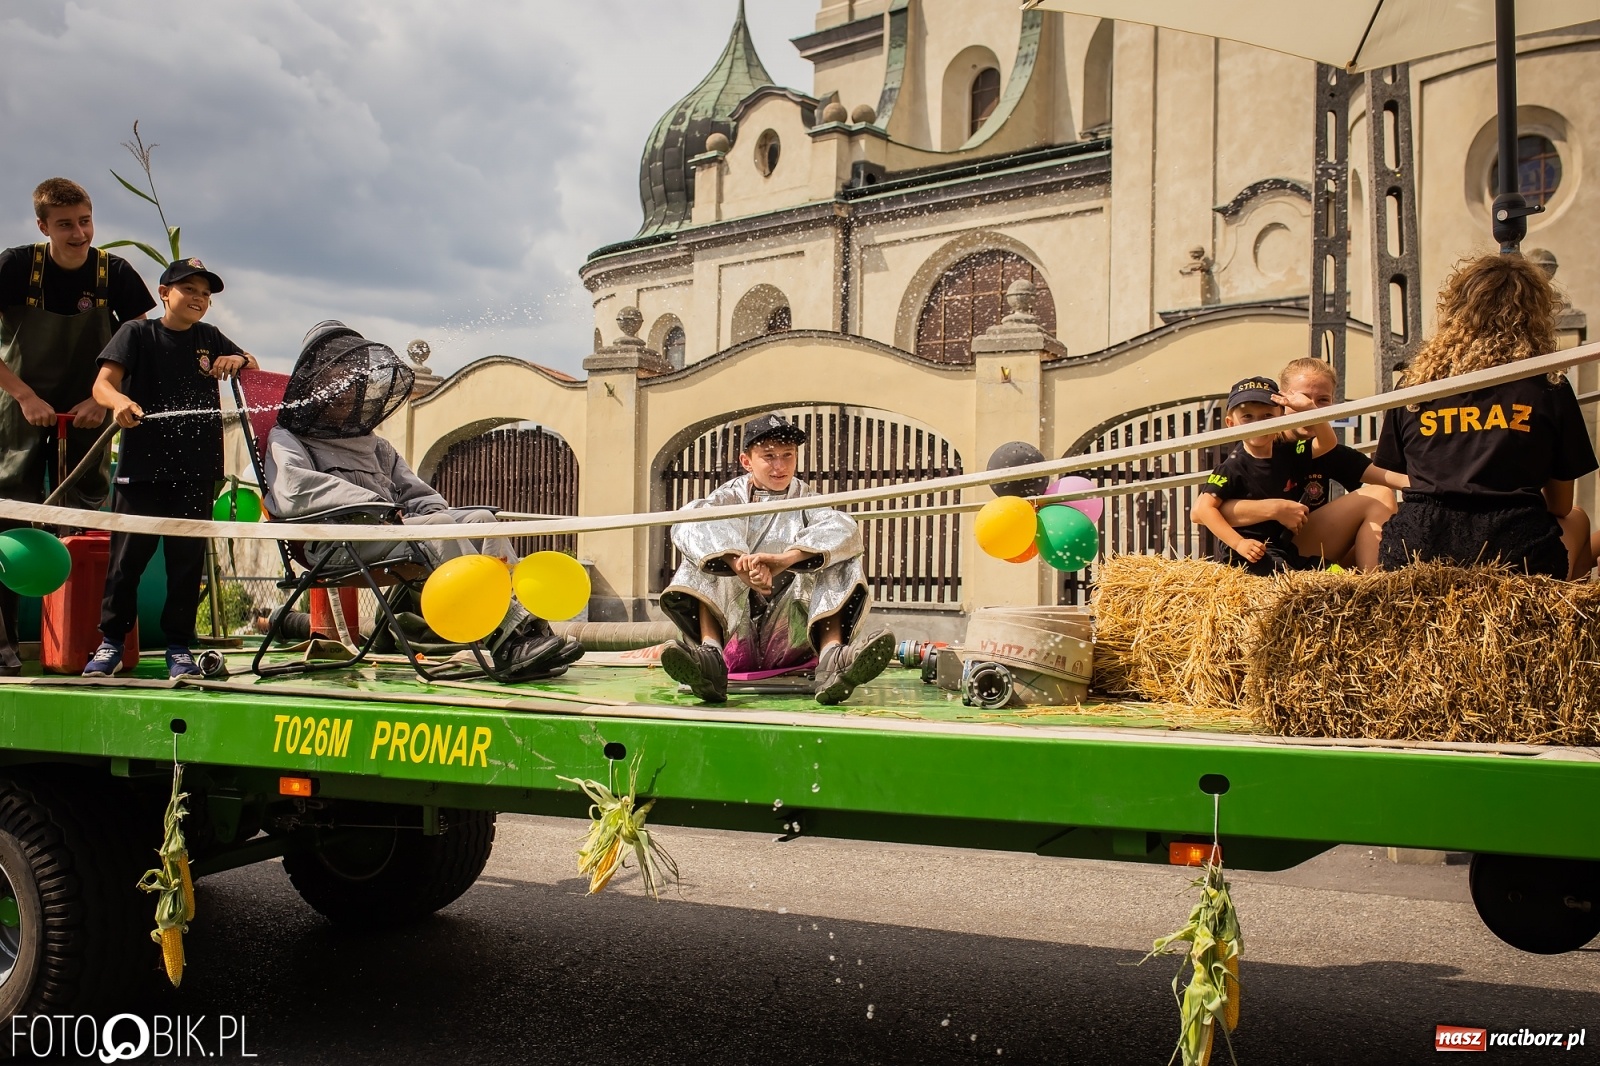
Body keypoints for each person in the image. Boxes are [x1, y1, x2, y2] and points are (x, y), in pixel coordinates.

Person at [261, 320, 580, 680]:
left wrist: (428, 514)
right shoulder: (287, 437)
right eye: (338, 379)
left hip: (390, 536)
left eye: (354, 380)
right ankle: (503, 638)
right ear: (315, 384)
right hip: (339, 544)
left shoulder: (376, 445)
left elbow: (417, 494)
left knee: (480, 521)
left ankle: (526, 628)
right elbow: (295, 491)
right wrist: (376, 507)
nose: (348, 389)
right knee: (440, 529)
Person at [0, 178, 155, 675]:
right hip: (19, 407)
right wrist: (24, 396)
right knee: (10, 520)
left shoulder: (116, 273)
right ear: (43, 226)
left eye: (85, 221)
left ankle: (94, 640)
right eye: (65, 224)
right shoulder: (17, 266)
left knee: (89, 522)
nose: (78, 233)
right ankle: (3, 645)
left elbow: (145, 345)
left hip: (87, 413)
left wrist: (97, 398)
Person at [81, 258, 255, 678]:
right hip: (141, 468)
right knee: (127, 562)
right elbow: (102, 384)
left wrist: (239, 361)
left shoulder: (208, 337)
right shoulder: (137, 333)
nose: (198, 299)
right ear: (165, 293)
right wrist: (118, 402)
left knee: (185, 563)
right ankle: (111, 644)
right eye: (189, 290)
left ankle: (179, 648)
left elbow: (250, 360)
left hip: (196, 471)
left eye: (205, 295)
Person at [1374, 253, 1596, 579]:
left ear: (1454, 310)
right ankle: (1568, 621)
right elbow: (1560, 505)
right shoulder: (1548, 385)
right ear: (1534, 313)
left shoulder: (1414, 385)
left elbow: (1399, 472)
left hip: (1417, 549)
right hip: (1514, 549)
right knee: (1578, 518)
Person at [658, 412, 895, 705]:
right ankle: (709, 659)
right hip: (734, 639)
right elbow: (687, 521)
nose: (780, 466)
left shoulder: (809, 499)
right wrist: (736, 563)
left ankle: (833, 659)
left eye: (787, 455)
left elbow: (846, 529)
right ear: (747, 461)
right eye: (769, 456)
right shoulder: (727, 498)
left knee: (839, 551)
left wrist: (788, 559)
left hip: (794, 637)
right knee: (703, 547)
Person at [1193, 376, 1399, 575]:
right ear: (1231, 423)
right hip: (1254, 554)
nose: (1258, 423)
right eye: (1248, 417)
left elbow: (1328, 443)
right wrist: (1241, 540)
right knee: (1299, 581)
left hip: (1284, 548)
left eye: (1267, 416)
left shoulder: (1289, 452)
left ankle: (1374, 589)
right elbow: (1201, 510)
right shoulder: (1233, 465)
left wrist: (1309, 410)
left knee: (1332, 573)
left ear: (1280, 415)